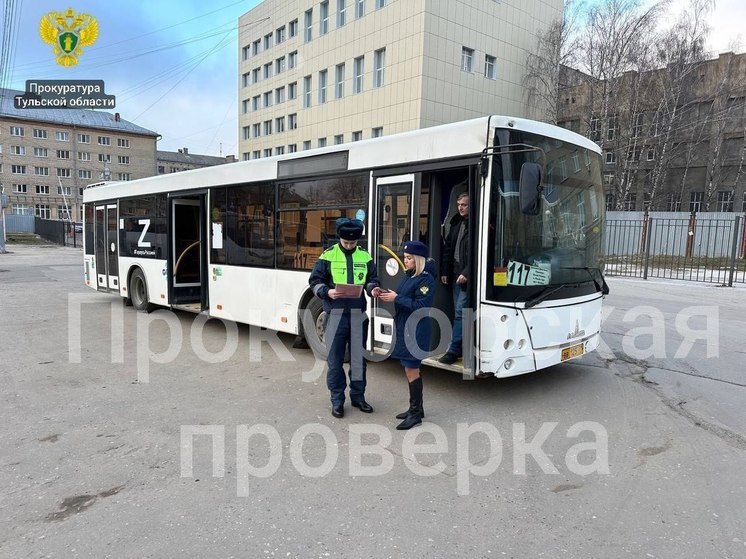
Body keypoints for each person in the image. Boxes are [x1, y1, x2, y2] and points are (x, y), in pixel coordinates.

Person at [309, 218, 382, 418]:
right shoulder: (328, 256)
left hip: (358, 315)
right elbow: (314, 281)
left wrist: (372, 288)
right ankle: (337, 400)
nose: (349, 245)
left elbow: (372, 279)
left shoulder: (365, 257)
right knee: (335, 360)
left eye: (352, 243)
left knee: (358, 360)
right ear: (339, 238)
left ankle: (358, 397)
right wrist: (327, 292)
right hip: (335, 315)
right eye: (346, 242)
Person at [378, 241, 435, 430]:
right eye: (405, 258)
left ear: (418, 260)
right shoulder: (409, 275)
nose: (406, 261)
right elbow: (403, 297)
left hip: (415, 329)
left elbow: (421, 306)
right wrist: (388, 295)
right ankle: (417, 408)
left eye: (409, 258)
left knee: (411, 370)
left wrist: (396, 298)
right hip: (405, 326)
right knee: (410, 370)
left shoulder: (426, 279)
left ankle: (415, 414)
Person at [439, 192, 470, 365]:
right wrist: (445, 271)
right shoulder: (456, 224)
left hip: (466, 277)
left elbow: (478, 252)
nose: (460, 208)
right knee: (460, 312)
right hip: (455, 275)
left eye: (464, 205)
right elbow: (448, 249)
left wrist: (467, 272)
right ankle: (460, 347)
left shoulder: (477, 224)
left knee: (460, 313)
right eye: (459, 204)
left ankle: (453, 350)